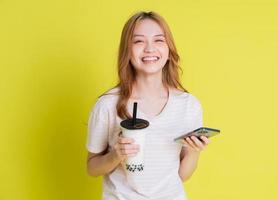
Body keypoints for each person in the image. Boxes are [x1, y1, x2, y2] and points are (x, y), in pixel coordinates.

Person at [86, 11, 211, 200]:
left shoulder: (188, 106)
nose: (149, 49)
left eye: (159, 40)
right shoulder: (108, 104)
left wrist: (194, 151)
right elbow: (92, 167)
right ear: (127, 51)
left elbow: (181, 176)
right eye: (139, 41)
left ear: (169, 50)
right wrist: (116, 155)